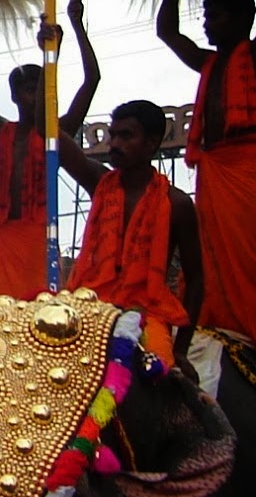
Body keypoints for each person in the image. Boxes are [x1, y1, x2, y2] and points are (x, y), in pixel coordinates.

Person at [157, 0, 256, 371]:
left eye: (214, 16)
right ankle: (219, 334)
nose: (206, 24)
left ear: (242, 20)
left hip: (248, 165)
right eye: (205, 16)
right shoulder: (209, 63)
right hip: (213, 168)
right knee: (211, 259)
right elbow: (167, 31)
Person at [59, 99, 203, 367]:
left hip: (148, 315)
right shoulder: (100, 182)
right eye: (113, 135)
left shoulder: (178, 204)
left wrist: (181, 350)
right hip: (90, 308)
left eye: (126, 136)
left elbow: (196, 280)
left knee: (161, 379)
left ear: (151, 143)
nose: (114, 144)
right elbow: (52, 134)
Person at [0, 0, 99, 297]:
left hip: (39, 234)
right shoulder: (3, 130)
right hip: (3, 234)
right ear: (14, 96)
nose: (33, 96)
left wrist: (62, 43)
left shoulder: (59, 130)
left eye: (37, 88)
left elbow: (92, 80)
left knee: (40, 313)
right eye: (26, 90)